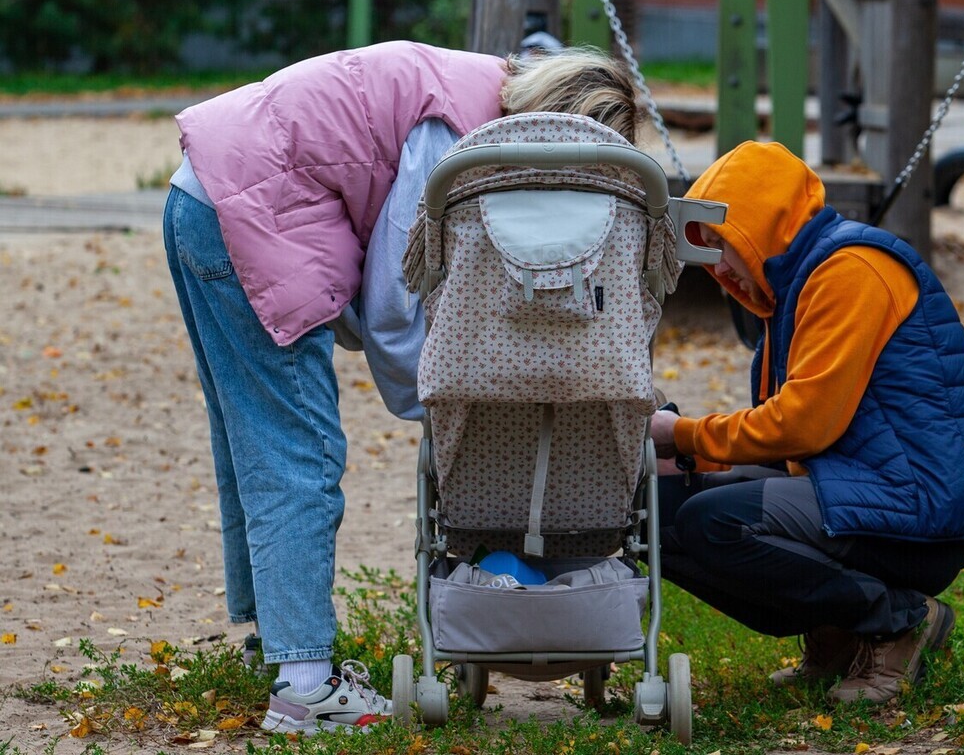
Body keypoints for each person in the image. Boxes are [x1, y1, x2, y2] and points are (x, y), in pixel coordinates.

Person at [162, 40, 641, 735]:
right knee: (302, 451)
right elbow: (393, 303)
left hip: (205, 192)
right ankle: (305, 688)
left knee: (252, 438)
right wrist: (446, 404)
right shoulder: (457, 135)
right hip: (247, 209)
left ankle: (274, 642)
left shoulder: (470, 85)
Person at [650, 141, 964, 704]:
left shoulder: (850, 271)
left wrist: (686, 436)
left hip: (915, 510)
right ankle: (841, 635)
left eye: (724, 244)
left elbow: (805, 425)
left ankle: (899, 621)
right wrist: (688, 458)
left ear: (763, 222)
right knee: (662, 518)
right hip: (862, 491)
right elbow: (782, 444)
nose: (718, 266)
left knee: (716, 524)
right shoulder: (790, 294)